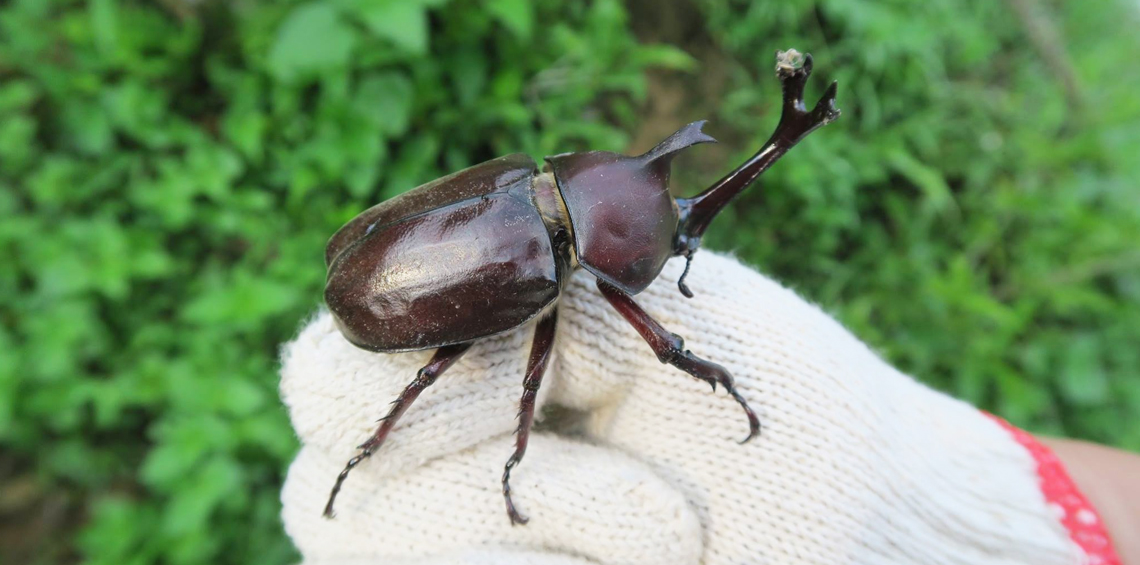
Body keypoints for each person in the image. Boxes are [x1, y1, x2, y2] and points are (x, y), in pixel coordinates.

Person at [279, 251, 1136, 564]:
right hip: (393, 292)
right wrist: (1000, 518)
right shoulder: (547, 265)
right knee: (446, 378)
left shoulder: (553, 214)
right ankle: (384, 447)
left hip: (390, 257)